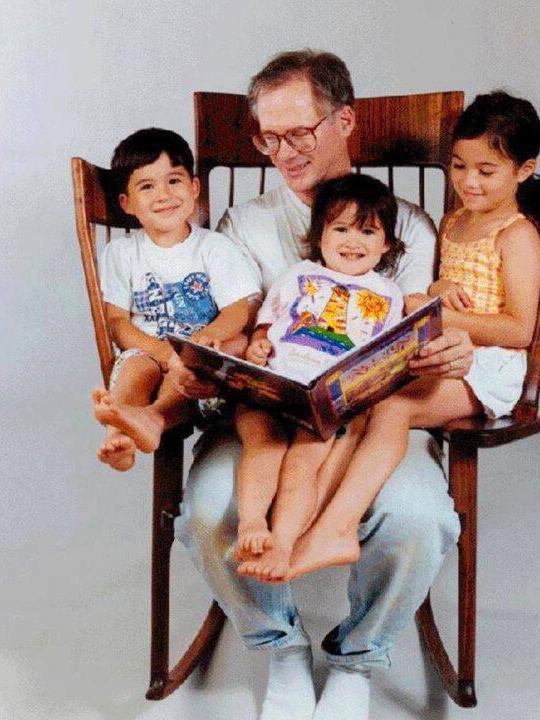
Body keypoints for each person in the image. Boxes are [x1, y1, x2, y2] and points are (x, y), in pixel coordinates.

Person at [173, 50, 474, 720]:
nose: (283, 152)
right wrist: (219, 355)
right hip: (263, 424)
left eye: (300, 133)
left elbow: (423, 327)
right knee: (207, 513)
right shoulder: (242, 225)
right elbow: (231, 324)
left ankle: (359, 658)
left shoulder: (409, 231)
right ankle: (280, 645)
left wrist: (446, 349)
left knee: (420, 520)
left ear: (345, 121)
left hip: (369, 427)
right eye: (269, 137)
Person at [287, 92, 540, 583]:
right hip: (446, 352)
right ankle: (310, 518)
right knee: (359, 397)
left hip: (494, 367)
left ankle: (336, 526)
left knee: (390, 405)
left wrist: (439, 311)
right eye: (459, 166)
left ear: (524, 170)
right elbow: (445, 287)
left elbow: (520, 329)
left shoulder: (517, 235)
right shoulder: (454, 221)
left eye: (486, 171)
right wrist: (440, 290)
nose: (469, 182)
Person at [233, 174, 405, 583]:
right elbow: (266, 324)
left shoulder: (387, 294)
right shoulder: (297, 275)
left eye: (367, 231)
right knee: (264, 444)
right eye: (340, 228)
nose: (352, 241)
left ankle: (283, 545)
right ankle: (252, 523)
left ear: (386, 245)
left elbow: (384, 357)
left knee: (302, 464)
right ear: (319, 236)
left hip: (327, 402)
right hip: (272, 386)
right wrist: (257, 344)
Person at [90, 128, 261, 471]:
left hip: (202, 369)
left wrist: (202, 341)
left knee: (209, 357)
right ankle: (118, 439)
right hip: (148, 353)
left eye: (174, 180)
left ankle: (153, 418)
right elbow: (117, 322)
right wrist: (162, 352)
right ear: (126, 203)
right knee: (136, 365)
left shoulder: (214, 247)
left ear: (194, 188)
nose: (163, 195)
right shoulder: (122, 253)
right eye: (147, 186)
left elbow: (237, 308)